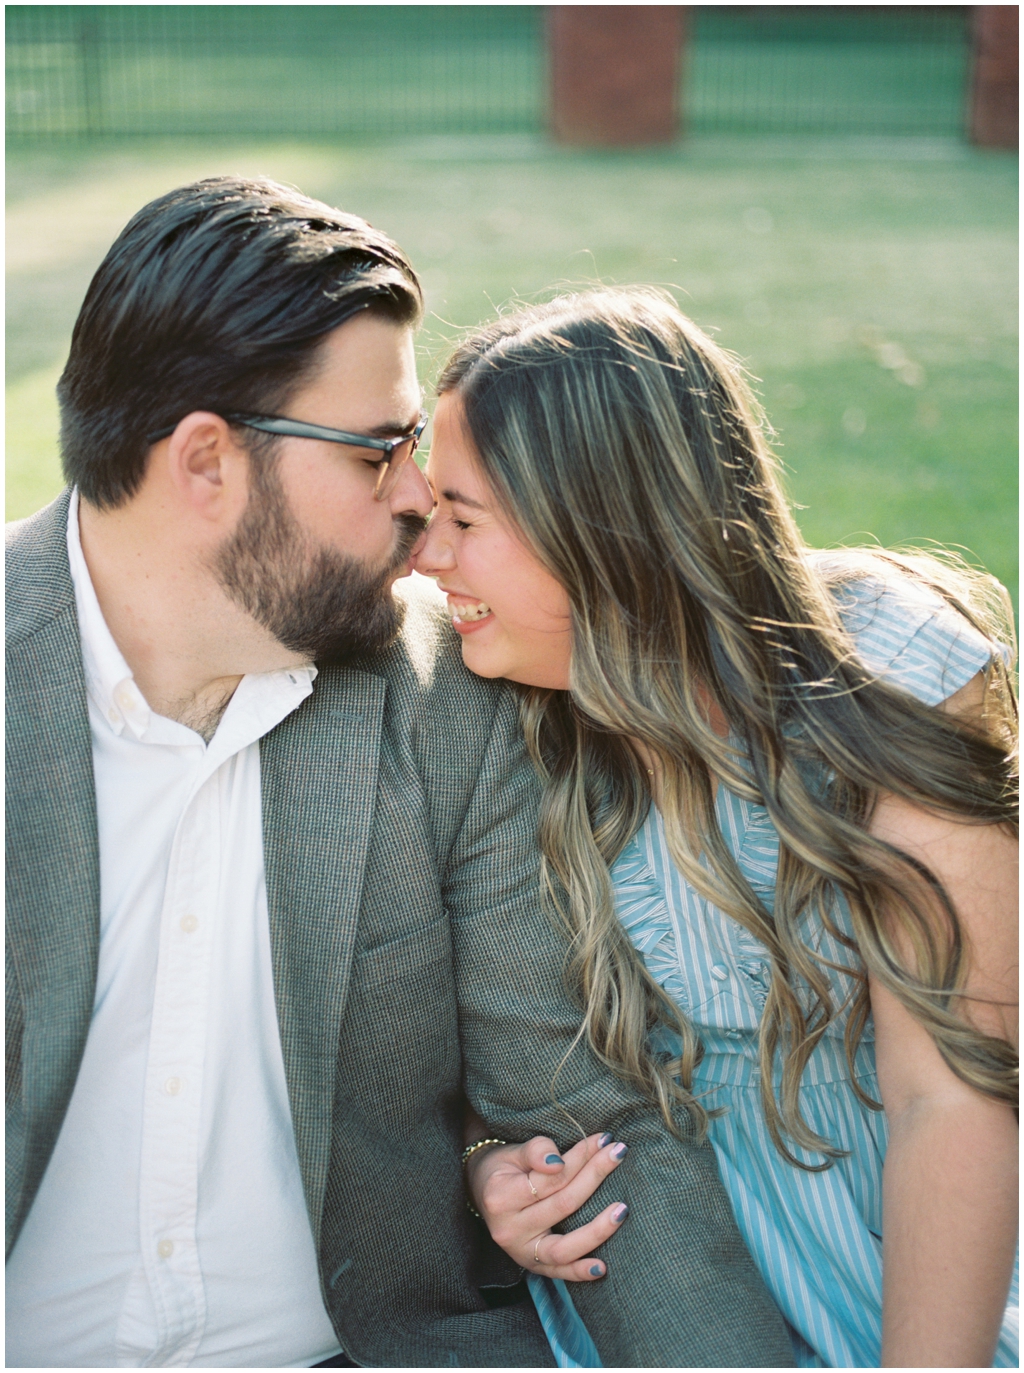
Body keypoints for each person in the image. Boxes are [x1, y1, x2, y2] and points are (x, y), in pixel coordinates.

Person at [6, 180, 796, 1368]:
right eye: (379, 449)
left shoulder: (440, 696)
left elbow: (586, 1119)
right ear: (208, 461)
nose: (418, 494)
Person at [414, 287, 1019, 1369]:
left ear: (600, 525)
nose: (427, 559)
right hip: (666, 1284)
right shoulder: (508, 723)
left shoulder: (885, 672)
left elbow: (952, 1090)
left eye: (462, 520)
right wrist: (493, 1166)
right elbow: (485, 1066)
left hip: (919, 1263)